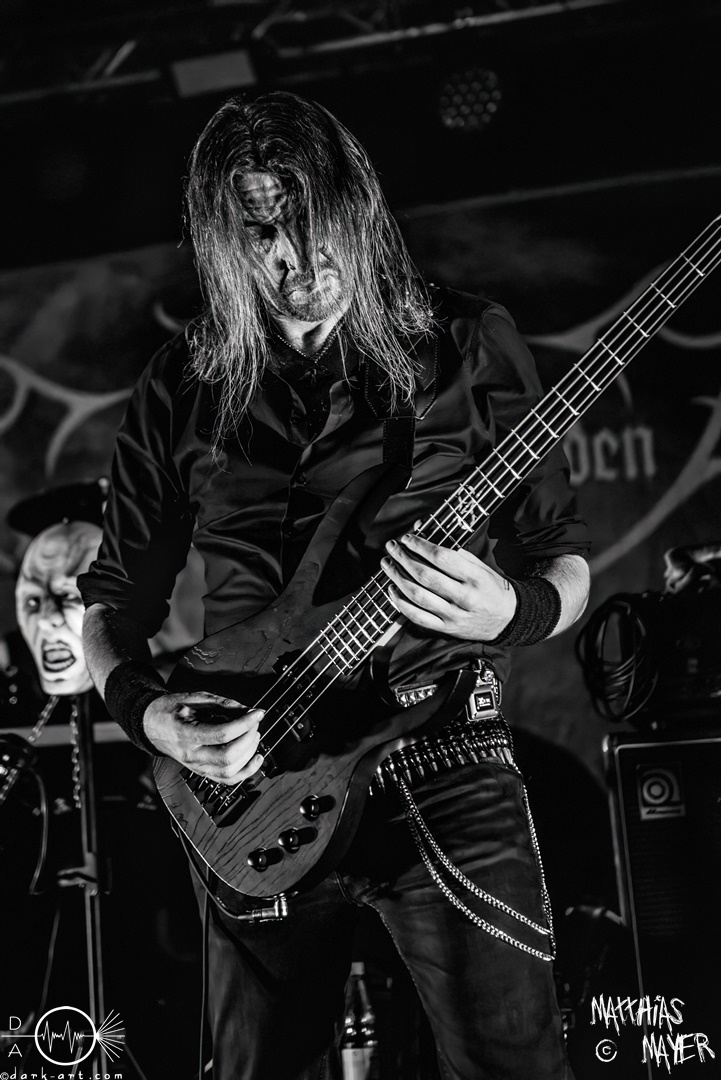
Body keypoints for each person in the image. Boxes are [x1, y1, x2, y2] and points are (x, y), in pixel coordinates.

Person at [79, 91, 590, 1080]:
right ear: (225, 242)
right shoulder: (181, 385)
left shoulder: (465, 341)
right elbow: (114, 604)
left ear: (357, 209)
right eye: (262, 232)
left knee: (514, 1065)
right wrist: (149, 717)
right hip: (252, 785)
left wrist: (514, 609)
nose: (295, 257)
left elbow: (560, 556)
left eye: (311, 221)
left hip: (440, 754)